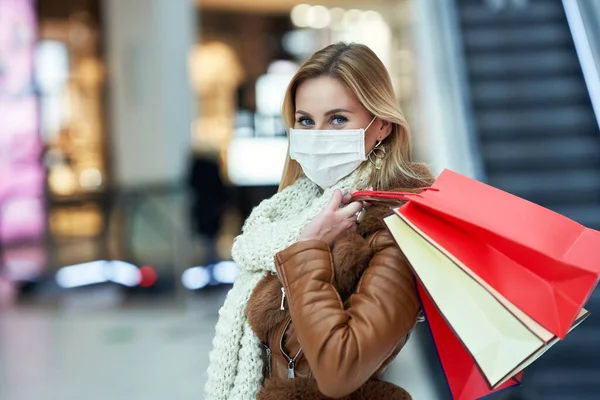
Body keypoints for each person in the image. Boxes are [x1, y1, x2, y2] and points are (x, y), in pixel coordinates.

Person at [204, 42, 434, 400]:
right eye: (305, 121)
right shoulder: (285, 216)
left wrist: (309, 249)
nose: (318, 135)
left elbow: (341, 370)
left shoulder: (392, 227)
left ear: (382, 126)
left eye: (338, 119)